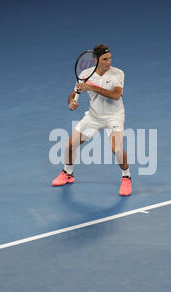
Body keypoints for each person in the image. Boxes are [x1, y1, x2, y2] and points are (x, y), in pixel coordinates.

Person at [51, 44, 132, 196]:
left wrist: (92, 88)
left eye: (110, 58)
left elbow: (116, 95)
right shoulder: (85, 74)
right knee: (70, 146)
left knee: (117, 149)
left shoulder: (118, 73)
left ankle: (126, 177)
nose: (109, 62)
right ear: (96, 61)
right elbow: (73, 93)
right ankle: (68, 174)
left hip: (114, 116)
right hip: (93, 117)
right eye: (105, 59)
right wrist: (71, 102)